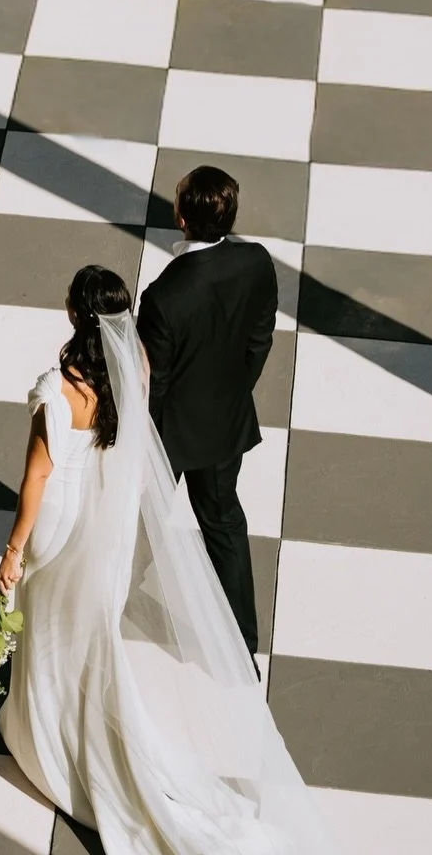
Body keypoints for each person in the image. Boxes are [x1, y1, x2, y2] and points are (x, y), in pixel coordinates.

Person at [0, 266, 338, 854]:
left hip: (55, 520)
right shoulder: (134, 372)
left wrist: (13, 549)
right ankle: (68, 725)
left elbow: (38, 475)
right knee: (78, 629)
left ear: (76, 313)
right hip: (96, 517)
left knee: (45, 617)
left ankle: (45, 734)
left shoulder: (57, 387)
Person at [136, 166, 278, 655]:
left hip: (172, 436)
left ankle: (112, 601)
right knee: (223, 522)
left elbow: (157, 385)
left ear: (180, 218)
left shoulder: (163, 297)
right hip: (225, 424)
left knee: (139, 516)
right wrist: (235, 391)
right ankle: (243, 643)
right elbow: (260, 338)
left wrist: (144, 442)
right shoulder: (257, 262)